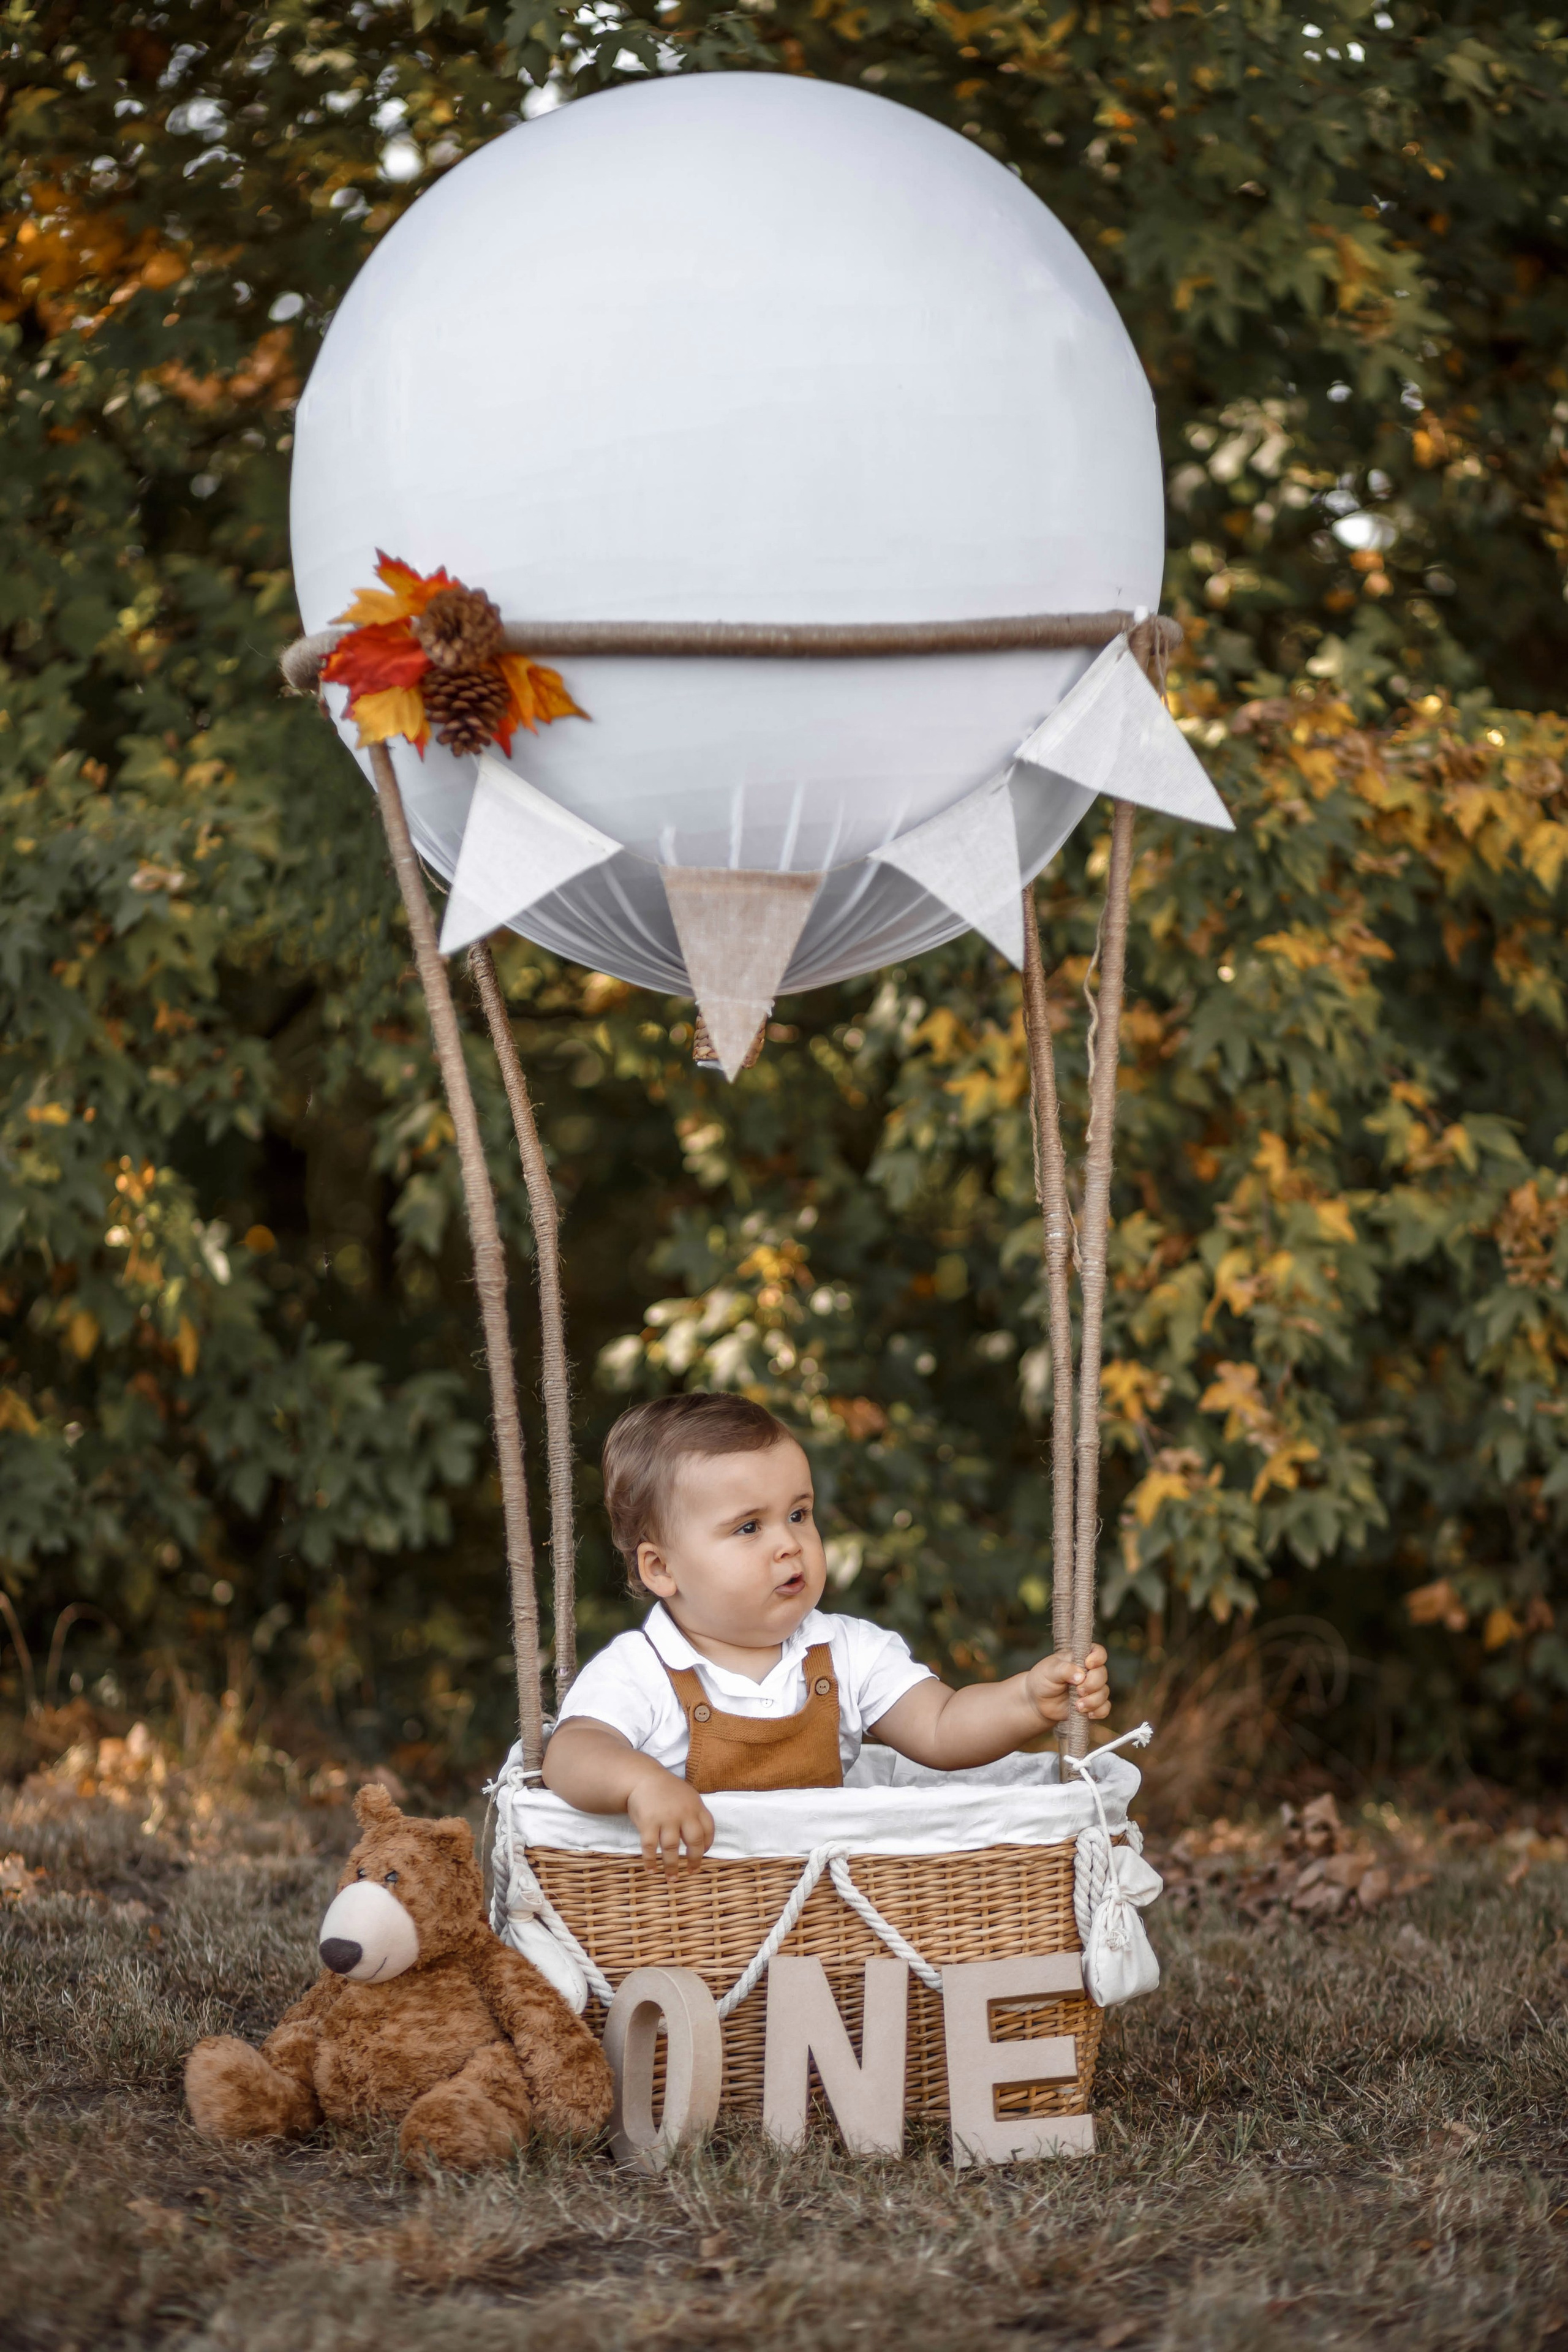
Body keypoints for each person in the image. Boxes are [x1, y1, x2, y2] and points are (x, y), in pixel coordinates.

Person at [542, 1393, 1111, 1869]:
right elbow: (571, 1752)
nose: (789, 1544)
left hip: (824, 1910)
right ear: (661, 1568)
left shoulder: (847, 1651)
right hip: (692, 1914)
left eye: (799, 1515)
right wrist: (642, 1784)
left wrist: (1026, 1701)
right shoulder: (641, 1669)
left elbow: (941, 1727)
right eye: (749, 1527)